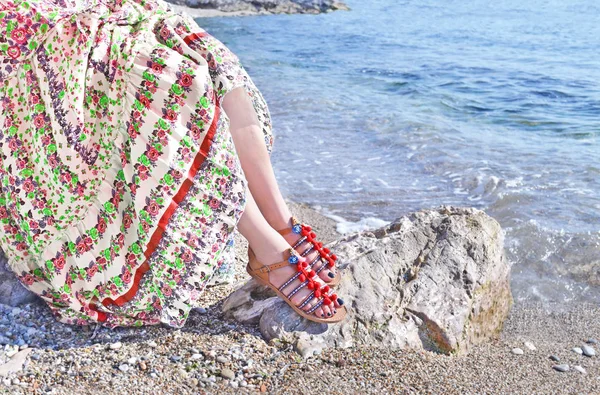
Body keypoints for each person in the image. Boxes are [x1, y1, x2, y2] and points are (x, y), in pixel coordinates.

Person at [0, 0, 347, 328]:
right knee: (175, 84)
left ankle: (280, 223)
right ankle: (268, 248)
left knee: (214, 61)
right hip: (27, 30)